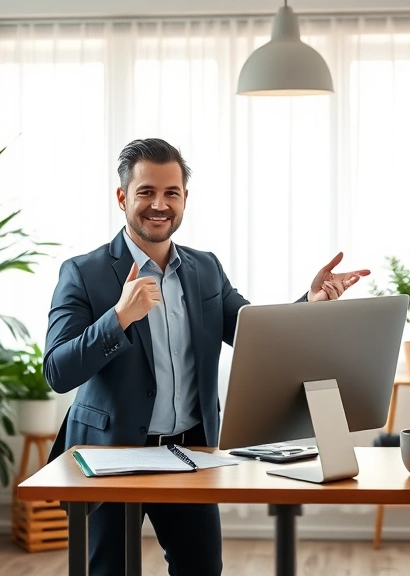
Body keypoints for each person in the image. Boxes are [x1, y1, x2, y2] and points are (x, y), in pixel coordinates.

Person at [44, 138, 369, 576]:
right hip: (109, 455)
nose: (160, 204)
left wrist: (310, 303)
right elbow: (57, 370)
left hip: (190, 453)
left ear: (185, 198)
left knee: (201, 570)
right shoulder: (83, 272)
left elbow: (256, 336)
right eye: (146, 192)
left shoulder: (206, 269)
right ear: (122, 197)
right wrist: (119, 318)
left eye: (171, 193)